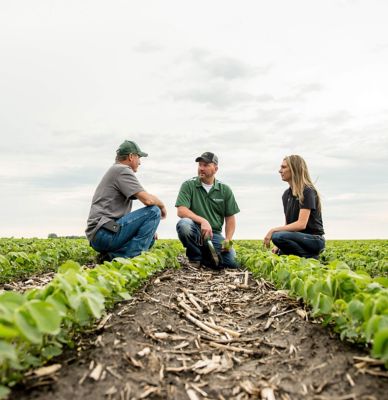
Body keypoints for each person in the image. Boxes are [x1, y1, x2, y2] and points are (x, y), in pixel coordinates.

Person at [85, 140, 167, 262]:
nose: (140, 162)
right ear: (131, 157)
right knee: (154, 211)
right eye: (139, 157)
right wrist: (162, 206)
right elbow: (148, 200)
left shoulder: (116, 170)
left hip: (103, 232)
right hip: (104, 232)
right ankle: (128, 259)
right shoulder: (122, 170)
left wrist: (147, 230)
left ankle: (110, 257)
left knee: (150, 239)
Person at [175, 152, 240, 269]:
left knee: (231, 263)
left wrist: (228, 239)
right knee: (184, 224)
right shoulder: (188, 185)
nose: (201, 168)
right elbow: (181, 211)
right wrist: (202, 221)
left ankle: (205, 256)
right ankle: (195, 258)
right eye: (200, 165)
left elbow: (230, 218)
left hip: (214, 234)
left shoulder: (225, 190)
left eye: (205, 165)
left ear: (215, 168)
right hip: (195, 230)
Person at [264, 155, 325, 259]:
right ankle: (302, 256)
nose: (280, 171)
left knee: (277, 235)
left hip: (314, 240)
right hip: (298, 239)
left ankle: (309, 257)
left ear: (294, 169)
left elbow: (301, 224)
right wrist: (277, 245)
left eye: (283, 167)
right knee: (280, 248)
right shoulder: (286, 195)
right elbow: (288, 224)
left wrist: (273, 230)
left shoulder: (307, 191)